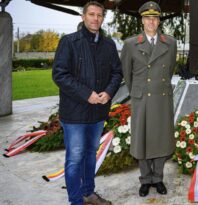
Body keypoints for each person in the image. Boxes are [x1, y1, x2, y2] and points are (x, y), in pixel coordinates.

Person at [52, 1, 123, 204]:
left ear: (103, 18)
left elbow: (117, 73)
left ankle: (88, 193)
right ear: (83, 16)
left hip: (98, 112)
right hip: (74, 113)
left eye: (99, 15)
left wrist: (109, 92)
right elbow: (59, 74)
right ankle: (76, 200)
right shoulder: (69, 42)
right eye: (91, 14)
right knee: (75, 158)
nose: (95, 18)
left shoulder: (109, 45)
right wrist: (86, 94)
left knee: (91, 155)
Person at [120, 1, 177, 197]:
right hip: (141, 98)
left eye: (154, 18)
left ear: (159, 20)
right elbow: (127, 75)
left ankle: (158, 178)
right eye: (147, 18)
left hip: (161, 97)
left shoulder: (170, 43)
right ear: (142, 20)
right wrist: (139, 91)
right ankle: (145, 179)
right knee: (142, 139)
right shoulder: (130, 44)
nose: (151, 21)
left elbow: (169, 71)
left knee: (160, 139)